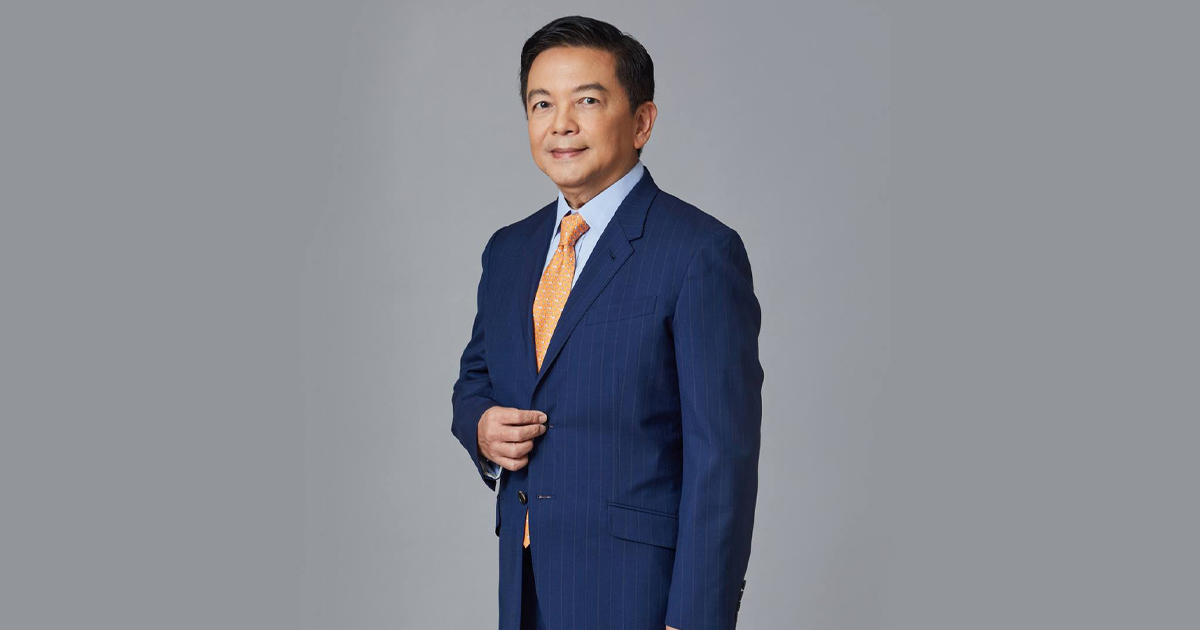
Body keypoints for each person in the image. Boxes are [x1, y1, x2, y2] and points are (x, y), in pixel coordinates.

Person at [450, 15, 763, 630]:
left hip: (638, 594)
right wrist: (482, 427)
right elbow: (476, 380)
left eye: (587, 101)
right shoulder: (508, 251)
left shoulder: (699, 252)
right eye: (542, 104)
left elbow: (721, 458)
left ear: (642, 121)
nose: (561, 124)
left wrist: (696, 618)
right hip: (525, 585)